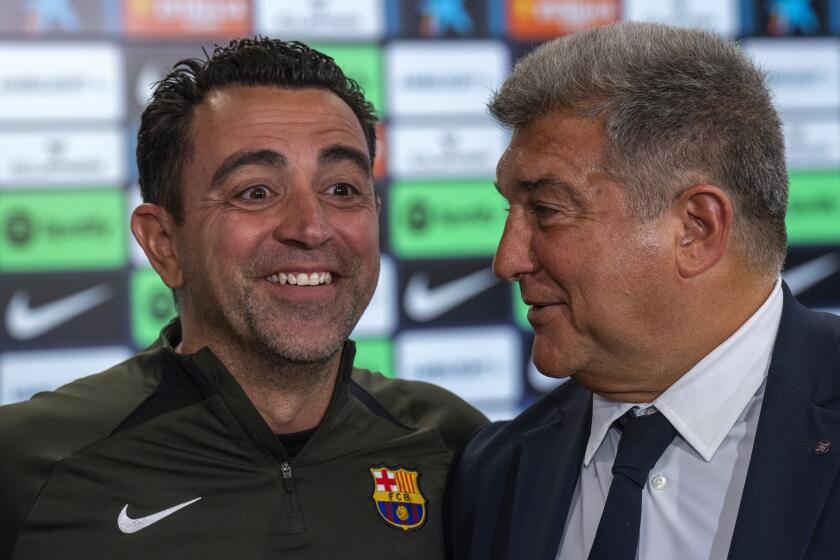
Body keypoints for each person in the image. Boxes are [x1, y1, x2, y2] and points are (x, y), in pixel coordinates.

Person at [0, 38, 487, 559]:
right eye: (255, 191)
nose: (311, 227)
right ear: (164, 245)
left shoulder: (456, 446)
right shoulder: (25, 466)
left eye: (342, 189)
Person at [446, 22, 840, 560]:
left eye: (547, 210)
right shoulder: (496, 473)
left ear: (696, 229)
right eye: (510, 210)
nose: (506, 260)